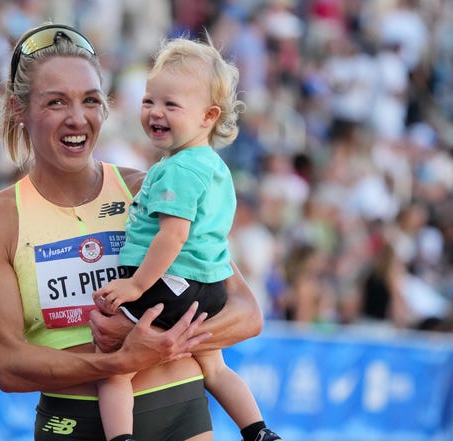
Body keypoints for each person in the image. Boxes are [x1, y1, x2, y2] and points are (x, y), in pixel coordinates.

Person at [0, 23, 263, 441]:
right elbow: (7, 365)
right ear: (19, 108)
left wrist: (153, 336)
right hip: (71, 422)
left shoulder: (150, 188)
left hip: (180, 412)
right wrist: (116, 362)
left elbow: (247, 314)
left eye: (90, 100)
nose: (77, 118)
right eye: (56, 102)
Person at [91, 38, 282, 441]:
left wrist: (136, 284)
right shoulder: (215, 167)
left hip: (166, 285)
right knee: (215, 368)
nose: (155, 113)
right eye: (149, 101)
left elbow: (173, 235)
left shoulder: (178, 170)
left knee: (115, 367)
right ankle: (259, 430)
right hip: (207, 289)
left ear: (208, 116)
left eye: (170, 105)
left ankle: (120, 437)